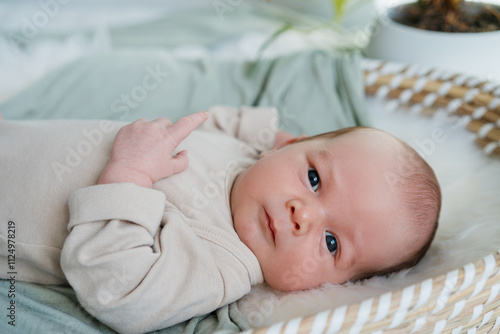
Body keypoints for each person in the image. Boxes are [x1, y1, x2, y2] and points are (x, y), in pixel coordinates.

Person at [0, 106, 440, 334]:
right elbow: (216, 121)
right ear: (287, 145)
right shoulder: (250, 157)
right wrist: (264, 130)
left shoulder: (220, 264)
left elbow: (118, 290)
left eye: (331, 243)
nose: (302, 215)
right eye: (313, 178)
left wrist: (130, 175)